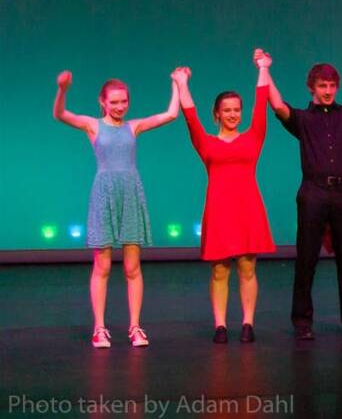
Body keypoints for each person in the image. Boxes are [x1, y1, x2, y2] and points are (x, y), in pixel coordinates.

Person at [53, 69, 181, 348]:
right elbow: (61, 114)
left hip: (131, 193)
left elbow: (170, 114)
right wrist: (62, 89)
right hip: (104, 194)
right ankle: (99, 328)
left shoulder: (133, 127)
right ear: (102, 102)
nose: (120, 106)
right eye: (114, 102)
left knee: (133, 266)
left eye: (124, 101)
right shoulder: (93, 125)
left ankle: (135, 326)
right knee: (102, 265)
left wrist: (177, 83)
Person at [267, 34, 342, 340]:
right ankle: (302, 322)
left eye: (332, 86)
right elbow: (277, 105)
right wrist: (264, 69)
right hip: (314, 192)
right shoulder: (304, 119)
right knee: (307, 258)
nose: (328, 91)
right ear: (312, 88)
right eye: (322, 86)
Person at [175, 52, 277, 343]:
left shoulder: (253, 137)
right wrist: (182, 83)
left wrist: (263, 68)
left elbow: (261, 103)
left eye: (236, 110)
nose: (233, 114)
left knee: (247, 268)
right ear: (217, 113)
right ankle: (220, 325)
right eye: (227, 110)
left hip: (248, 209)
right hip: (220, 210)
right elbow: (190, 117)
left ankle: (247, 323)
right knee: (220, 271)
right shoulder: (206, 143)